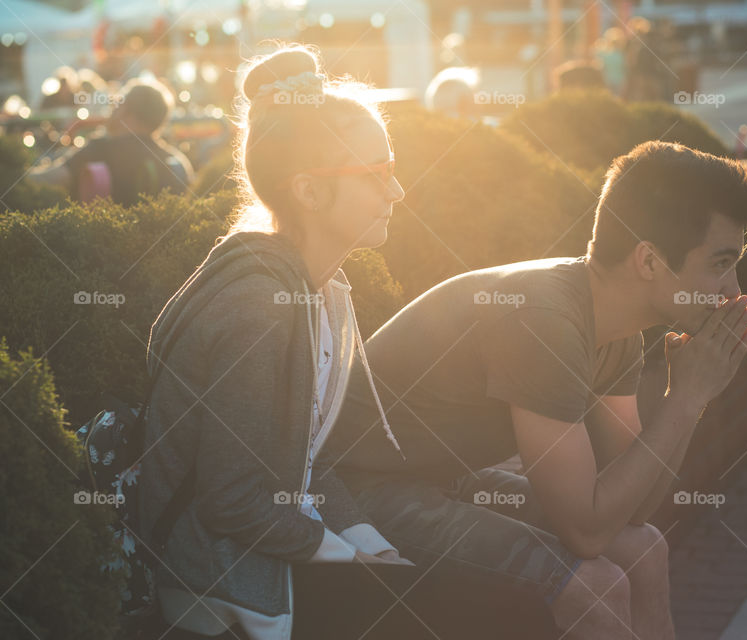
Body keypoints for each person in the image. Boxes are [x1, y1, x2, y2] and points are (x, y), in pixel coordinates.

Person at [138, 44, 559, 640]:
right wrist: (347, 557)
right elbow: (231, 501)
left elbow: (307, 464)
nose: (398, 192)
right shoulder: (260, 307)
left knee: (508, 601)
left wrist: (371, 545)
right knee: (513, 614)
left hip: (278, 556)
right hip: (228, 585)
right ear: (308, 191)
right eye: (376, 174)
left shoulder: (317, 290)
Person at [327, 140, 747, 639]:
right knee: (596, 585)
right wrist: (687, 399)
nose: (733, 291)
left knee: (643, 550)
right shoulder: (546, 320)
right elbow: (585, 531)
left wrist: (686, 397)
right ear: (649, 261)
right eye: (719, 264)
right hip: (357, 491)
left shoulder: (616, 329)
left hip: (444, 478)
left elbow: (634, 510)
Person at [29, 78, 194, 206]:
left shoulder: (99, 150)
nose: (111, 110)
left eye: (117, 104)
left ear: (126, 112)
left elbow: (48, 180)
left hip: (99, 246)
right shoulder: (177, 162)